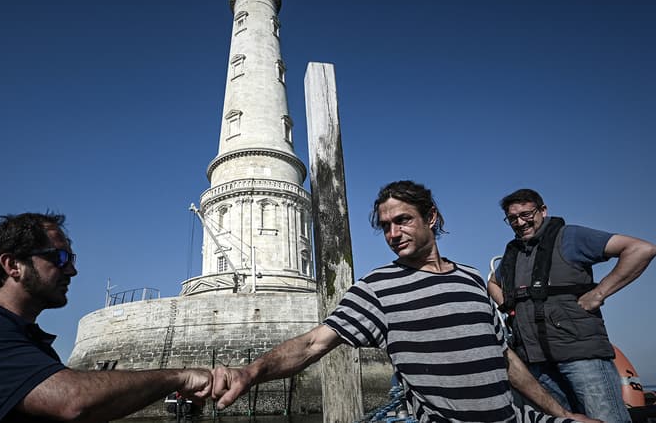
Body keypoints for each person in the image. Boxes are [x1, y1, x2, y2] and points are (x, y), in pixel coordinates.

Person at [211, 181, 599, 423]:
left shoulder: (471, 280)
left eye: (403, 221)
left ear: (431, 217)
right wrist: (250, 373)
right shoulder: (377, 287)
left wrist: (562, 414)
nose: (393, 234)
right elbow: (314, 343)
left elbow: (504, 357)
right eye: (385, 226)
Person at [0, 212, 212, 422]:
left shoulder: (25, 341)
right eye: (60, 258)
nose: (72, 270)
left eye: (71, 259)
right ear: (13, 266)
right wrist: (178, 377)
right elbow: (72, 401)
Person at [488, 188, 656, 422]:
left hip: (582, 357)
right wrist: (509, 308)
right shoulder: (513, 253)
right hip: (537, 364)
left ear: (543, 211)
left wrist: (599, 293)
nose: (520, 222)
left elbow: (641, 249)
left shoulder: (570, 237)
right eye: (513, 218)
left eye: (526, 214)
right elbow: (493, 283)